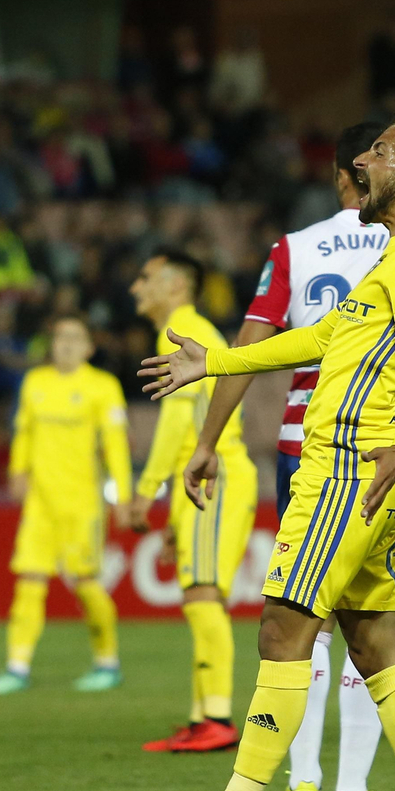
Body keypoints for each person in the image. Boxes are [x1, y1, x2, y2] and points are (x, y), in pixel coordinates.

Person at [140, 115, 395, 791]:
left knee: (283, 632)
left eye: (379, 153)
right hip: (366, 467)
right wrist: (217, 363)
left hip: (352, 464)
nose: (362, 161)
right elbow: (327, 339)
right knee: (375, 641)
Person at [127, 251, 259, 753]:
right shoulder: (195, 329)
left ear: (176, 285)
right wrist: (174, 516)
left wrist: (146, 490)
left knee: (204, 595)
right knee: (199, 597)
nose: (136, 287)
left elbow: (177, 420)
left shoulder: (183, 332)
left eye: (146, 277)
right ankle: (202, 715)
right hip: (203, 479)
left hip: (215, 474)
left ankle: (218, 717)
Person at [0, 316, 134, 695]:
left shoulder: (102, 386)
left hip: (82, 504)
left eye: (74, 337)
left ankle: (107, 662)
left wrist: (123, 497)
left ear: (89, 347)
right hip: (40, 503)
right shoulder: (35, 382)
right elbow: (24, 432)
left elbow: (115, 445)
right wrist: (17, 470)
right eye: (60, 337)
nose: (65, 344)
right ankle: (17, 667)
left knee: (85, 584)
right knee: (29, 581)